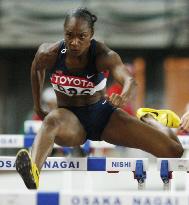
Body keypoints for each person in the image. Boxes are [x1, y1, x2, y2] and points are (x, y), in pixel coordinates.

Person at [15, 8, 183, 189]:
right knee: (52, 120)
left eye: (82, 36)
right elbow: (36, 68)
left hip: (103, 116)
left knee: (174, 151)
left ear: (91, 35)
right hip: (69, 118)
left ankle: (150, 119)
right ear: (63, 32)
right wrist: (38, 107)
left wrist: (123, 96)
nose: (74, 42)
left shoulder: (103, 55)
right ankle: (33, 171)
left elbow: (129, 80)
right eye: (69, 35)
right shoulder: (49, 53)